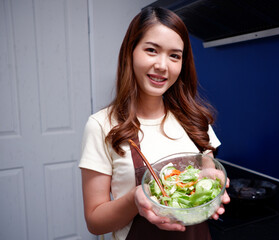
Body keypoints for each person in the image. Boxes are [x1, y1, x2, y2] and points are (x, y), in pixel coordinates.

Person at [79, 6, 230, 240]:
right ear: (130, 52)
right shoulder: (101, 125)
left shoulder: (194, 117)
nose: (162, 65)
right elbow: (95, 222)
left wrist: (213, 181)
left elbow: (208, 166)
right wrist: (135, 199)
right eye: (151, 50)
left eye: (174, 55)